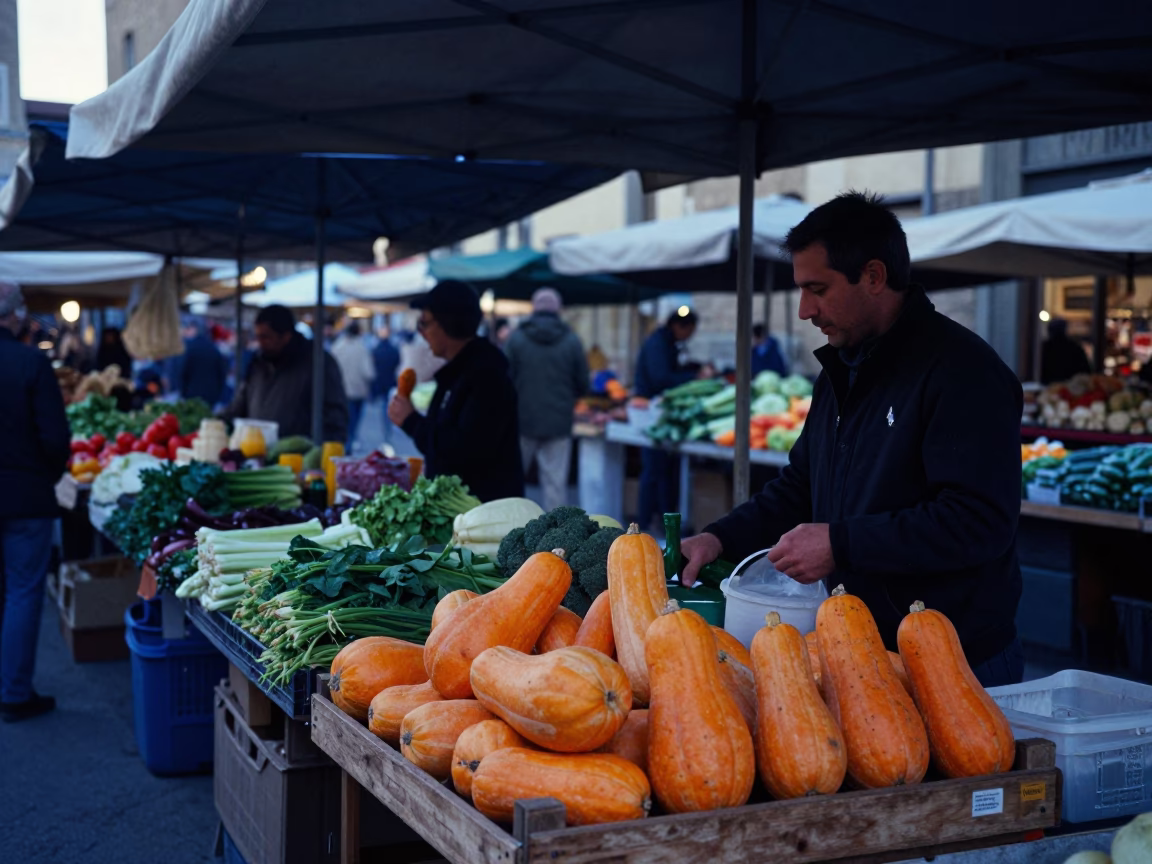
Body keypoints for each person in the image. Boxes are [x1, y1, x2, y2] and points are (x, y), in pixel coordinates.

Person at [678, 192, 1025, 688]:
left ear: (874, 277)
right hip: (858, 649)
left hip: (957, 663)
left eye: (817, 289)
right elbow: (801, 485)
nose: (804, 310)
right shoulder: (841, 369)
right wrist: (720, 538)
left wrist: (842, 543)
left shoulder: (964, 372)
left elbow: (978, 521)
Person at [0, 282, 71, 722]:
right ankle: (13, 693)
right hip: (25, 496)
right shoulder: (31, 362)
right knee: (24, 593)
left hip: (24, 491)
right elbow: (56, 439)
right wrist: (43, 474)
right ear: (15, 316)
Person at [388, 281, 524, 502]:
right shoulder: (458, 371)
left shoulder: (486, 377)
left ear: (447, 324)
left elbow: (463, 450)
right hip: (462, 508)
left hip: (482, 514)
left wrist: (411, 421)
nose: (421, 333)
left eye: (424, 323)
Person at [506, 288, 588, 512]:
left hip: (522, 420)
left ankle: (510, 531)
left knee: (512, 481)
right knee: (554, 486)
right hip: (559, 421)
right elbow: (583, 382)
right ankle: (554, 539)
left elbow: (504, 380)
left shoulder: (517, 339)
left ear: (534, 308)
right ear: (558, 310)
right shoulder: (572, 340)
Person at [222, 304, 348, 443]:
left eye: (266, 337)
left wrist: (320, 452)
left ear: (286, 336)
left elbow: (335, 418)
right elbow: (239, 405)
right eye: (258, 336)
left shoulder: (318, 362)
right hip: (254, 453)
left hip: (298, 458)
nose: (260, 343)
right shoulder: (258, 363)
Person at [634, 308, 711, 532]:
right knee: (654, 470)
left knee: (663, 471)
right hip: (652, 415)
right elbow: (661, 378)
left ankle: (660, 521)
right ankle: (644, 523)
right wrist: (693, 377)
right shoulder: (658, 344)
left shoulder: (666, 343)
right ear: (679, 326)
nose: (690, 336)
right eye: (690, 331)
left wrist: (692, 368)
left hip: (659, 414)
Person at [330, 321, 376, 450]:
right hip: (358, 391)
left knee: (343, 420)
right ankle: (349, 445)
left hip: (340, 390)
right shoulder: (362, 348)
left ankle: (344, 445)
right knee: (354, 422)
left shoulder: (337, 346)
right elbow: (369, 373)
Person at [168, 318, 228, 406]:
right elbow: (222, 373)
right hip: (211, 396)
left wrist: (182, 391)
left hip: (191, 395)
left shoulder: (188, 347)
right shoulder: (214, 348)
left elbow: (181, 371)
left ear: (194, 329)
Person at [1039, 317, 1091, 384]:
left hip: (1049, 386)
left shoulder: (1043, 348)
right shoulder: (1075, 348)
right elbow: (1086, 372)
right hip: (1070, 388)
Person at [372, 326, 402, 444]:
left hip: (381, 382)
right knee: (387, 404)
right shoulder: (393, 349)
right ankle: (387, 428)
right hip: (389, 381)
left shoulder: (376, 349)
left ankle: (387, 428)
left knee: (384, 405)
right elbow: (397, 362)